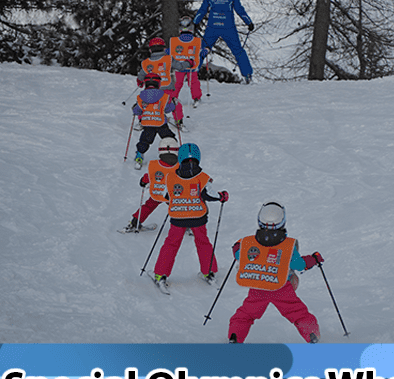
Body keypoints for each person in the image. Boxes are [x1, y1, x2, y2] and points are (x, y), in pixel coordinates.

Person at [228, 202, 323, 344]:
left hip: (258, 286)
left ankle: (235, 336)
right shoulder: (287, 246)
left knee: (245, 314)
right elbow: (299, 264)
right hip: (281, 287)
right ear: (283, 221)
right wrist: (314, 259)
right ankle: (311, 335)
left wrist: (237, 247)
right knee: (298, 313)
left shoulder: (250, 243)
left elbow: (238, 255)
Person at [151, 143, 229, 291]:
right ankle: (209, 272)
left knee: (171, 244)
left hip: (178, 218)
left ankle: (160, 274)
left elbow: (168, 196)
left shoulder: (171, 177)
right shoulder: (203, 177)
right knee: (203, 242)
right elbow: (209, 194)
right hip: (198, 217)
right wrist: (222, 196)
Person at [193, 0, 254, 84]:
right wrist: (248, 22)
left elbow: (202, 10)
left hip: (212, 26)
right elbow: (240, 10)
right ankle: (247, 75)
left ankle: (192, 72)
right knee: (238, 51)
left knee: (203, 49)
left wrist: (195, 22)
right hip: (228, 27)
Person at [122, 137, 180, 232]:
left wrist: (143, 181)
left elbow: (148, 176)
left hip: (157, 192)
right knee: (179, 207)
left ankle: (135, 222)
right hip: (172, 195)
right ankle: (186, 225)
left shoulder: (154, 164)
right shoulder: (179, 165)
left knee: (148, 206)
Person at [137, 37, 191, 128]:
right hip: (167, 91)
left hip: (150, 92)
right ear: (164, 49)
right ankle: (179, 122)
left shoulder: (146, 62)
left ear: (150, 50)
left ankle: (141, 121)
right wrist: (189, 63)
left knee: (144, 103)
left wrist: (140, 81)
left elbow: (141, 76)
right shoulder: (169, 59)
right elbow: (180, 66)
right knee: (175, 103)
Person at [132, 73, 177, 169]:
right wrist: (173, 104)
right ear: (159, 84)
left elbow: (137, 111)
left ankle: (139, 155)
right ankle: (173, 154)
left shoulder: (141, 97)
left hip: (147, 123)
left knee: (144, 140)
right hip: (161, 123)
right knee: (169, 138)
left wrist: (134, 108)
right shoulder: (164, 96)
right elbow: (167, 109)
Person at [169, 16, 209, 110]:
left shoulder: (174, 41)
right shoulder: (197, 41)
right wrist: (206, 51)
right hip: (192, 66)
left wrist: (166, 51)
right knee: (193, 83)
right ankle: (196, 98)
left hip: (179, 65)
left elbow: (169, 51)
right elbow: (202, 51)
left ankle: (173, 97)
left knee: (177, 83)